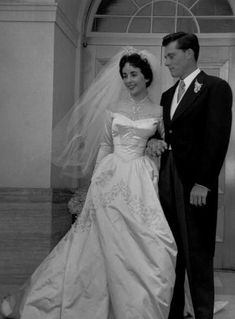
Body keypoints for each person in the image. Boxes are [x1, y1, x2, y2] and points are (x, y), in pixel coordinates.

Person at [0, 48, 177, 319]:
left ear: (147, 77)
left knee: (150, 241)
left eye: (134, 74)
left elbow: (167, 144)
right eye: (124, 75)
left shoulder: (160, 110)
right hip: (111, 176)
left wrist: (155, 142)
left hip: (141, 181)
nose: (128, 80)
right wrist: (96, 181)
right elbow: (106, 146)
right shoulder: (113, 110)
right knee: (98, 241)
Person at [148, 32, 232, 319]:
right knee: (171, 251)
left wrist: (203, 183)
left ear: (190, 53)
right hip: (167, 177)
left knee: (197, 252)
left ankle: (203, 313)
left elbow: (216, 139)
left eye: (171, 56)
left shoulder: (215, 87)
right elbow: (161, 133)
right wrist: (152, 141)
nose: (166, 62)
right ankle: (173, 313)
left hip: (195, 182)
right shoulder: (167, 95)